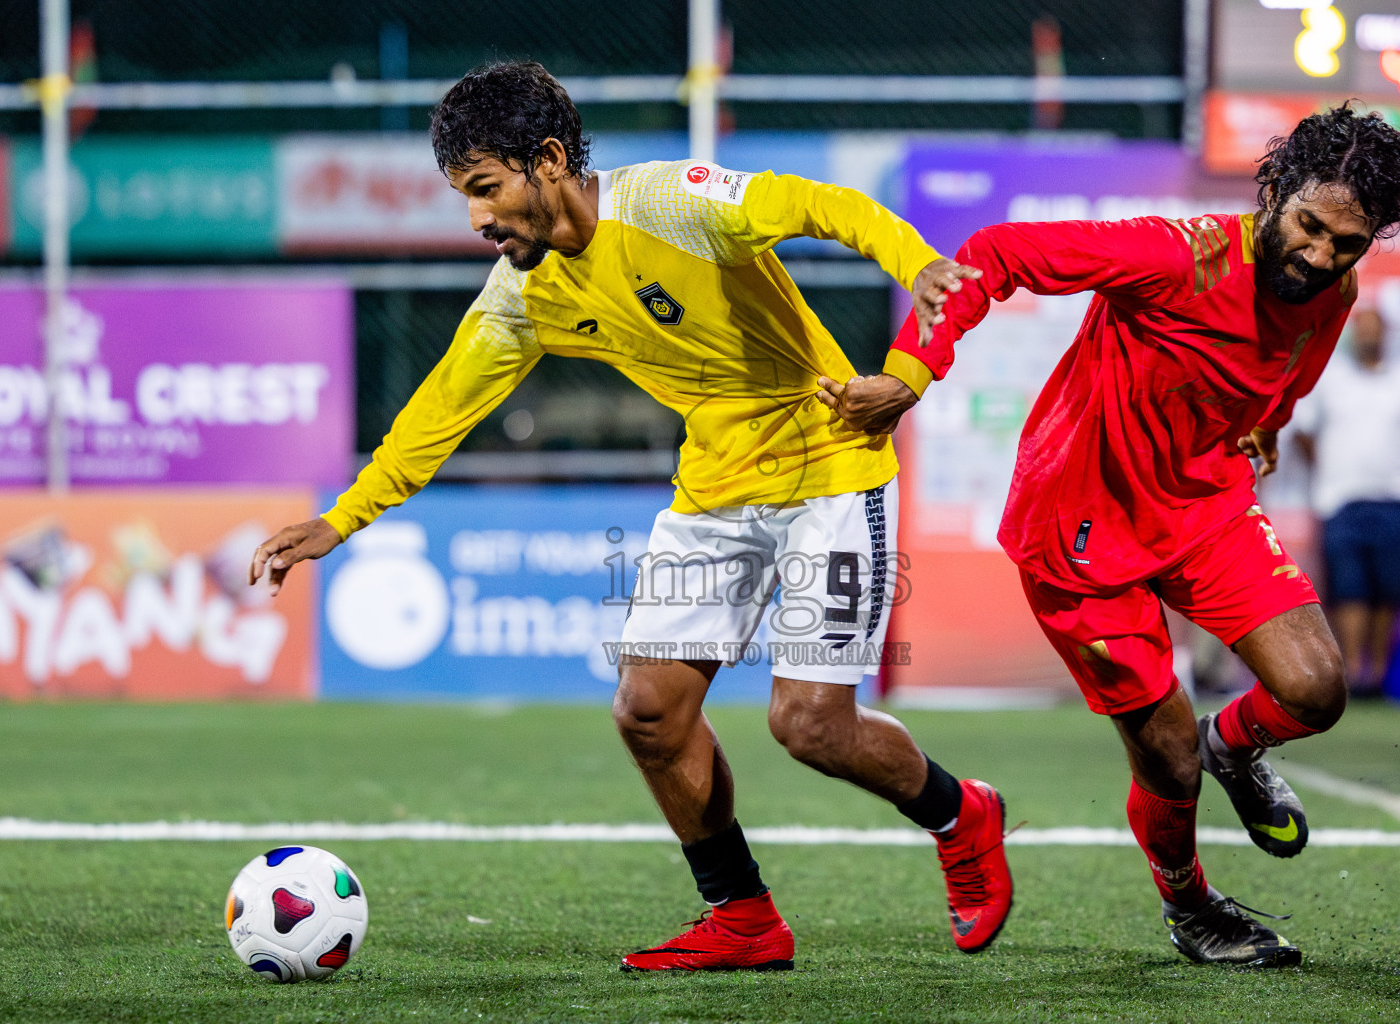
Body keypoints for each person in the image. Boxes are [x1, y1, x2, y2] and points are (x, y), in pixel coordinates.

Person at [247, 60, 1012, 972]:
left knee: (810, 724)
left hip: (832, 467)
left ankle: (963, 816)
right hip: (715, 491)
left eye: (486, 189)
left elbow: (821, 204)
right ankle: (742, 917)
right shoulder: (524, 294)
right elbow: (440, 408)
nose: (478, 219)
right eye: (464, 197)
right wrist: (345, 518)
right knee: (649, 711)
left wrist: (916, 264)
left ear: (550, 159)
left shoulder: (675, 203)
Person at [819, 103, 1400, 966]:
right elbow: (996, 254)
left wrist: (1270, 422)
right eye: (1311, 228)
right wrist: (909, 373)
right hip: (1080, 524)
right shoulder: (1180, 255)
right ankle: (1192, 906)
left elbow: (1294, 360)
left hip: (1201, 503)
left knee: (1317, 689)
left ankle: (1236, 748)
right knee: (1167, 759)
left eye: (1349, 244)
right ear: (1274, 192)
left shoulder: (1335, 288)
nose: (1323, 256)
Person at [1290, 309, 1400, 696]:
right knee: (1349, 589)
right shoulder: (1330, 377)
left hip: (1395, 499)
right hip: (1340, 500)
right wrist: (1329, 470)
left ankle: (1376, 673)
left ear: (1386, 333)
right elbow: (1303, 431)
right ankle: (1355, 672)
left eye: (1374, 329)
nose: (1368, 336)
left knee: (1387, 591)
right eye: (1362, 329)